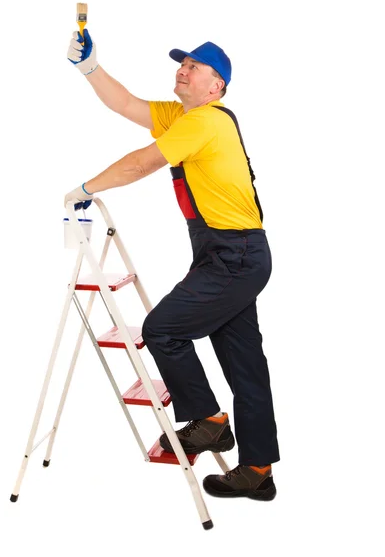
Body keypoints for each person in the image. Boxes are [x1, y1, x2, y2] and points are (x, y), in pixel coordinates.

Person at [66, 28, 280, 501]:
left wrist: (85, 189)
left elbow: (140, 165)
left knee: (162, 329)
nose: (182, 70)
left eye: (194, 67)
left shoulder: (206, 122)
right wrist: (90, 69)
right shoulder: (181, 116)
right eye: (180, 63)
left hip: (234, 254)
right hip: (229, 253)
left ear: (215, 86)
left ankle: (208, 422)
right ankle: (258, 471)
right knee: (245, 365)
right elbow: (124, 104)